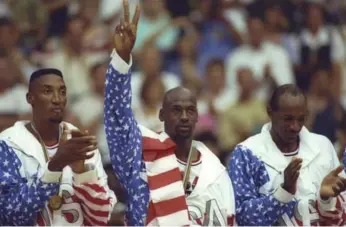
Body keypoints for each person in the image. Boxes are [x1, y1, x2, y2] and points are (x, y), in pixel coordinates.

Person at [103, 0, 235, 225]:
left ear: (197, 117)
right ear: (161, 115)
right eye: (176, 110)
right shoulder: (140, 155)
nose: (184, 116)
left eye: (190, 110)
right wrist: (122, 59)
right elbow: (117, 116)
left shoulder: (215, 168)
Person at [0, 68, 116, 226]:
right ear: (30, 98)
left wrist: (81, 173)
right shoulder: (8, 143)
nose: (57, 99)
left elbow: (101, 218)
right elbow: (10, 213)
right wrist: (55, 166)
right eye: (47, 91)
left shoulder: (80, 143)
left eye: (62, 92)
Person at [228, 84, 346, 226]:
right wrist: (284, 192)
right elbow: (242, 217)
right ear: (270, 112)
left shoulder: (322, 146)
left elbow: (340, 218)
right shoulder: (247, 153)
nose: (295, 126)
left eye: (301, 119)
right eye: (288, 119)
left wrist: (325, 200)